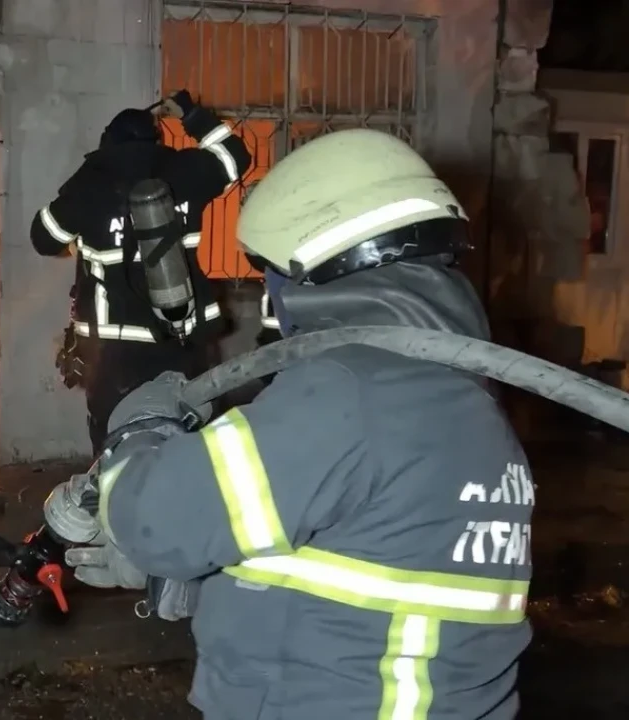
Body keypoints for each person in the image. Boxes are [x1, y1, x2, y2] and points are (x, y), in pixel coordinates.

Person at [51, 129, 534, 719]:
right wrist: (202, 579)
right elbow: (374, 563)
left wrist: (139, 425)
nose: (270, 298)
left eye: (269, 276)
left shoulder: (348, 393)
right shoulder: (461, 403)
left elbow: (153, 518)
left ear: (309, 267)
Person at [31, 91, 252, 455]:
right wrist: (192, 114)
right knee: (186, 441)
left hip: (114, 353)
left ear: (107, 143)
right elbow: (235, 156)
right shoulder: (185, 171)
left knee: (115, 449)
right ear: (155, 139)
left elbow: (43, 237)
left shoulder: (92, 182)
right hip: (183, 342)